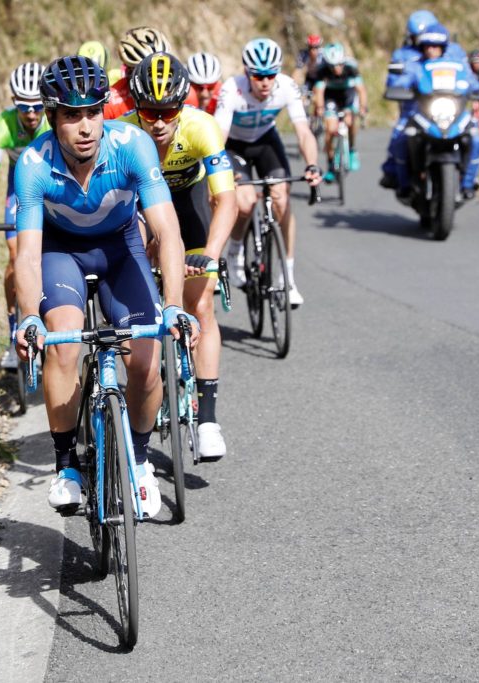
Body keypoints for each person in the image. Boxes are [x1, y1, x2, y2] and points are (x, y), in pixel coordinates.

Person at [12, 55, 196, 518]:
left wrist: (173, 306)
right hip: (61, 252)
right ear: (53, 118)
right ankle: (66, 465)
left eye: (93, 111)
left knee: (146, 361)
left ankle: (139, 459)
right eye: (72, 115)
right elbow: (28, 256)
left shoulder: (132, 145)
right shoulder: (34, 164)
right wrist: (30, 316)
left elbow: (167, 233)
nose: (86, 126)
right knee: (64, 345)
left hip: (120, 247)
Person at [121, 52, 238, 459]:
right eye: (149, 111)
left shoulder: (201, 127)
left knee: (201, 304)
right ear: (136, 107)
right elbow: (116, 202)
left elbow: (226, 200)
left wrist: (212, 254)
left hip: (188, 207)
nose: (157, 122)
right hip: (139, 211)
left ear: (182, 105)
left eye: (168, 111)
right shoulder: (121, 134)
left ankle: (207, 419)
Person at [214, 38, 322, 307]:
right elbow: (218, 138)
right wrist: (218, 171)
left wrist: (311, 165)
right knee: (246, 201)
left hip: (265, 142)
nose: (265, 82)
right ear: (246, 73)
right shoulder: (232, 90)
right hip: (234, 146)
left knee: (282, 198)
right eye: (258, 76)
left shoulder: (286, 86)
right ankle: (236, 253)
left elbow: (304, 132)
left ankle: (288, 278)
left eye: (270, 75)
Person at [0, 62, 51, 369]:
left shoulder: (52, 122)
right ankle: (13, 331)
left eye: (37, 106)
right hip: (18, 187)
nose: (31, 114)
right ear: (13, 102)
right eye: (23, 106)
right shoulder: (2, 125)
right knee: (16, 253)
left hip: (49, 181)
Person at [387, 24, 479, 200]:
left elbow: (473, 83)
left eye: (436, 46)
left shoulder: (458, 67)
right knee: (401, 139)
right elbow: (400, 82)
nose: (431, 50)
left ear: (443, 48)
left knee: (477, 138)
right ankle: (405, 185)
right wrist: (396, 88)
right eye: (427, 46)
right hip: (424, 115)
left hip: (454, 114)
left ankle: (468, 183)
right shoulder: (417, 67)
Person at [380, 10, 467, 189]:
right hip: (415, 107)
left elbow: (466, 74)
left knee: (473, 134)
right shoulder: (403, 55)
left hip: (450, 106)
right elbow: (394, 81)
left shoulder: (454, 51)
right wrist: (396, 87)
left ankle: (467, 179)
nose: (428, 44)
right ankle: (398, 177)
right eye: (419, 38)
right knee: (400, 136)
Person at [103, 26, 198, 119]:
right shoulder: (111, 101)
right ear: (128, 69)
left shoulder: (187, 94)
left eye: (161, 67)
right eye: (145, 71)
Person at [312, 42, 368, 180]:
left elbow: (361, 90)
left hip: (347, 97)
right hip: (331, 99)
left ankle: (352, 150)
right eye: (333, 66)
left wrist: (362, 107)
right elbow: (319, 92)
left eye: (339, 64)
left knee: (350, 121)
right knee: (330, 130)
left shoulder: (351, 68)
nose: (337, 68)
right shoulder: (322, 70)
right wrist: (319, 108)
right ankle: (331, 165)